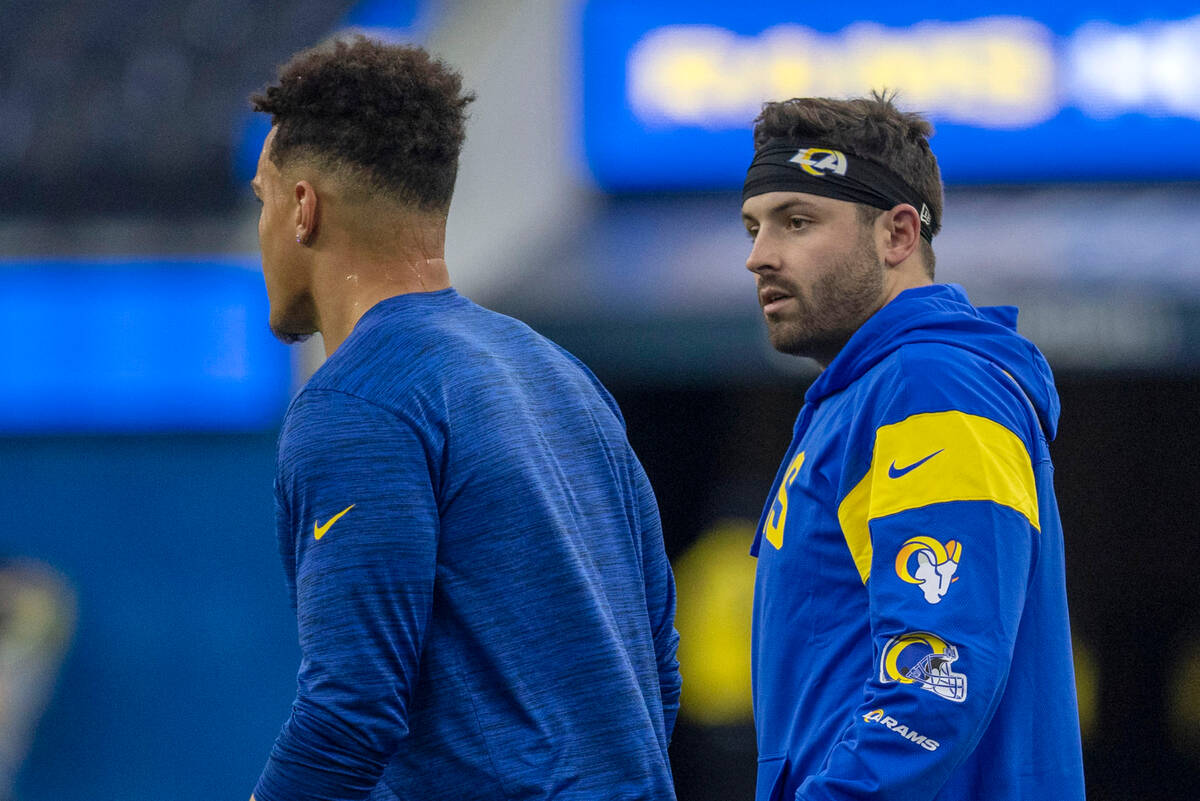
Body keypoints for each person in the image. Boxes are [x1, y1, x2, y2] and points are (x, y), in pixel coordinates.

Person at [246, 37, 679, 801]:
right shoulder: (562, 374)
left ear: (304, 208)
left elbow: (349, 714)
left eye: (263, 200)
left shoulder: (357, 402)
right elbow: (655, 673)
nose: (263, 230)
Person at [740, 92, 1085, 800]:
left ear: (898, 235)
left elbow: (940, 676)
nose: (758, 257)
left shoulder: (932, 384)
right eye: (752, 227)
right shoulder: (868, 391)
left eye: (797, 222)